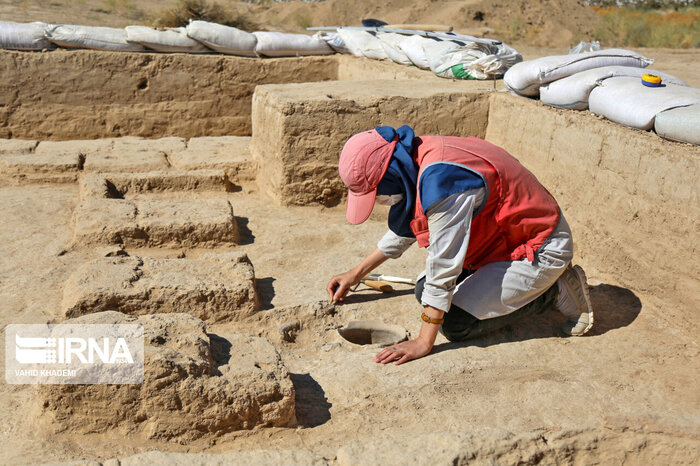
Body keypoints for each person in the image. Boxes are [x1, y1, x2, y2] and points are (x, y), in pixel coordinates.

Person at [327, 125, 594, 366]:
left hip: (538, 246)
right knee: (425, 291)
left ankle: (556, 290)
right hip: (497, 243)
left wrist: (423, 342)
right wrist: (357, 273)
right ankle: (525, 286)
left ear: (390, 174)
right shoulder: (415, 158)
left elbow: (444, 264)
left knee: (454, 323)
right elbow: (412, 224)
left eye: (378, 193)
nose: (380, 202)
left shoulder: (442, 181)